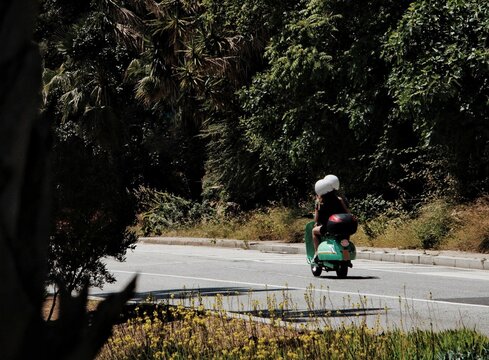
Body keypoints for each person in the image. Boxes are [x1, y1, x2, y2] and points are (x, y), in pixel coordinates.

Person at [312, 174, 350, 262]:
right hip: (342, 226)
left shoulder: (319, 202)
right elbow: (347, 213)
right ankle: (346, 257)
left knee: (314, 231)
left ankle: (317, 253)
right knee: (345, 236)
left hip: (328, 228)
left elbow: (316, 220)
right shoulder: (339, 200)